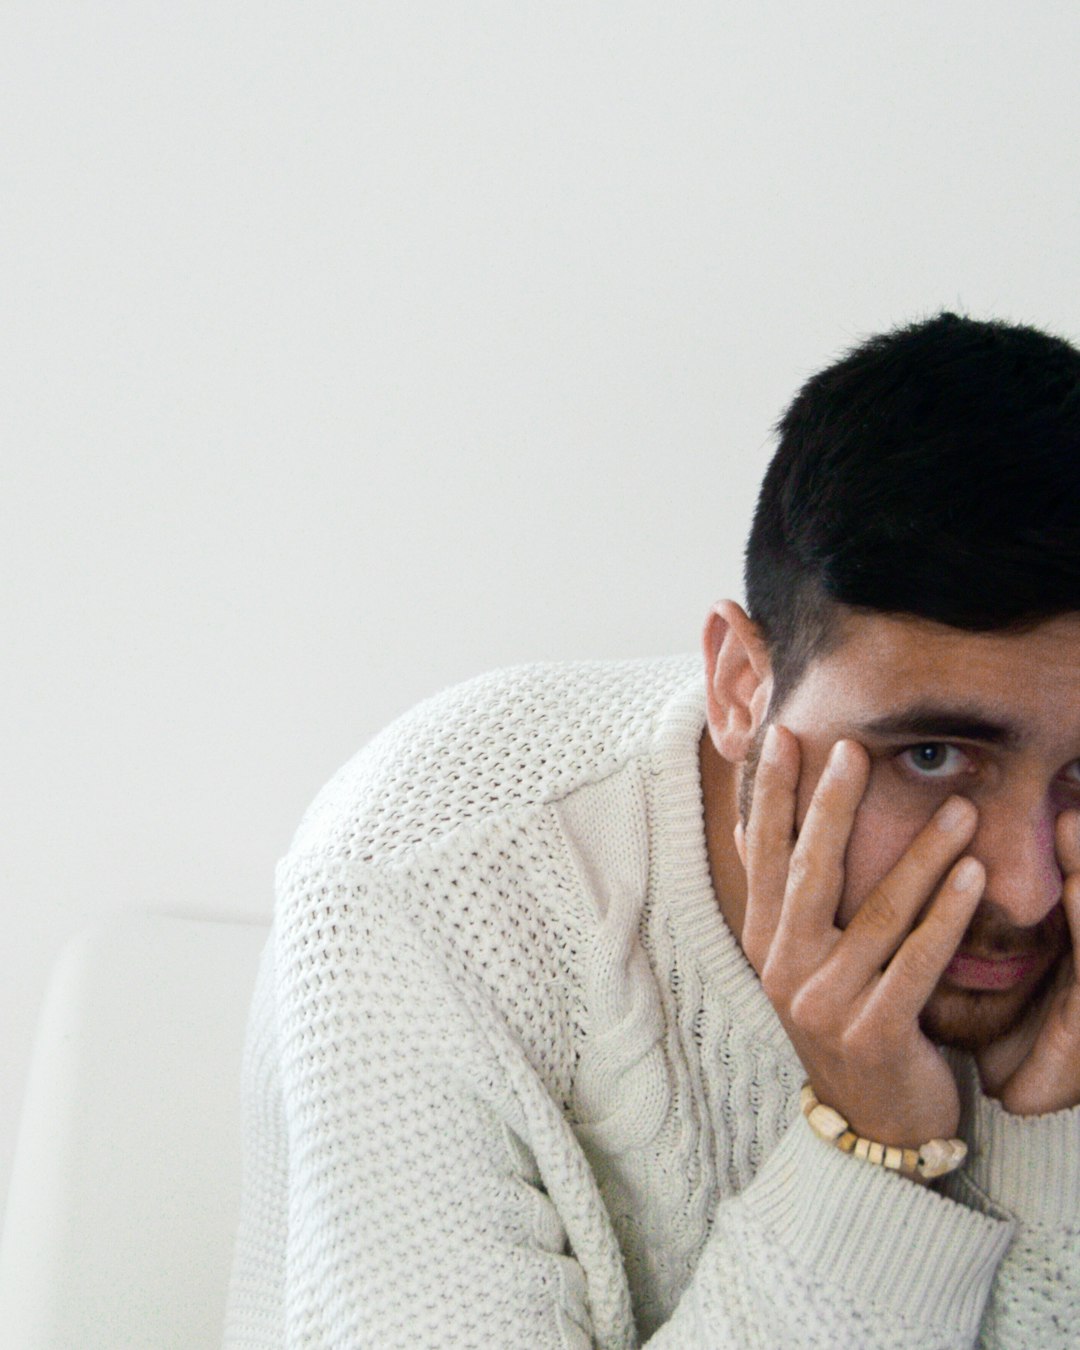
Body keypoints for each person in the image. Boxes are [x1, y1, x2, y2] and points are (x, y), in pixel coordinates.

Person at [224, 312, 1080, 1348]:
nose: (1027, 890)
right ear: (739, 684)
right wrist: (871, 1156)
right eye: (930, 756)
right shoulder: (419, 888)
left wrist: (1044, 1146)